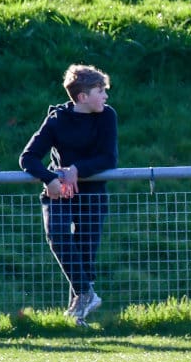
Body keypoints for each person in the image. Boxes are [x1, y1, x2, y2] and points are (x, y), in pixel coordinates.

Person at [20, 64, 118, 326]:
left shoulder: (107, 116)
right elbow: (28, 157)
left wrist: (77, 169)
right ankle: (86, 294)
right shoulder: (57, 119)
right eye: (100, 91)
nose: (106, 96)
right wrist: (50, 179)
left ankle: (77, 319)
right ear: (83, 96)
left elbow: (109, 158)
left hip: (92, 194)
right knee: (58, 234)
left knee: (85, 254)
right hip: (60, 192)